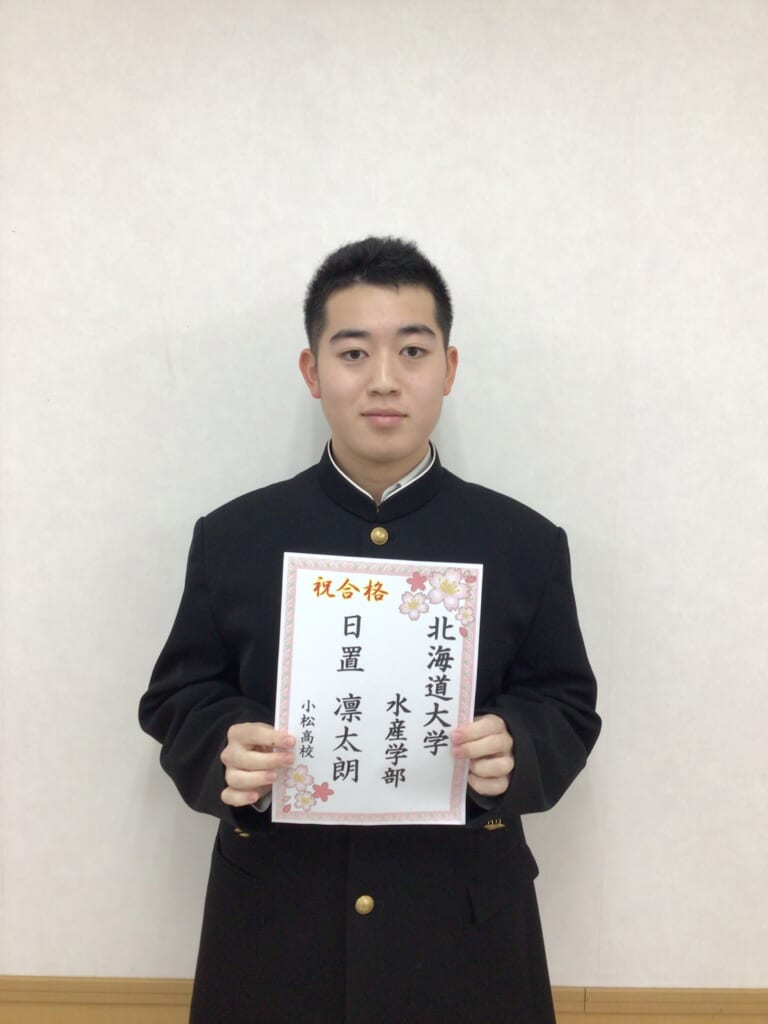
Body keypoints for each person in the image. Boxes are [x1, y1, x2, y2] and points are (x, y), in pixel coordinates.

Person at [139, 236, 601, 1023]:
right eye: (353, 352)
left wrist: (517, 743)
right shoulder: (236, 535)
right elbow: (179, 697)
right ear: (312, 371)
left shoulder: (523, 542)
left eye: (412, 350)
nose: (384, 378)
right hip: (277, 923)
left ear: (448, 369)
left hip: (462, 924)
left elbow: (565, 702)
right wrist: (227, 742)